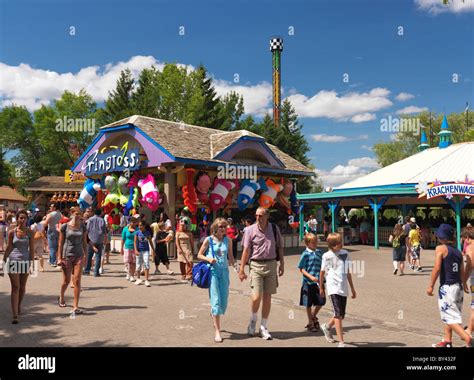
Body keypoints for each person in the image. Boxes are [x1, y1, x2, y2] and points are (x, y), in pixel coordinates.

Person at [238, 207, 284, 340]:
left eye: (261, 215)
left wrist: (282, 264)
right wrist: (241, 269)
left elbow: (280, 247)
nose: (258, 218)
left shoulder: (274, 229)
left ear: (267, 216)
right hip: (256, 265)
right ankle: (252, 321)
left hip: (271, 264)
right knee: (256, 296)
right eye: (257, 215)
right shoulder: (249, 230)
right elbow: (246, 251)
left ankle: (263, 326)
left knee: (268, 297)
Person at [427, 224, 471, 347]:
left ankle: (468, 339)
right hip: (458, 288)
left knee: (450, 318)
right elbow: (462, 271)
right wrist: (464, 284)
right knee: (450, 315)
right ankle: (447, 341)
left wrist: (430, 285)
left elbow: (436, 268)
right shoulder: (457, 252)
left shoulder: (440, 249)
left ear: (443, 238)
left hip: (447, 288)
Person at [197, 217, 236, 343]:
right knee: (216, 301)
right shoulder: (208, 240)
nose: (223, 228)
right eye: (221, 226)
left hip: (224, 272)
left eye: (225, 226)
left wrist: (239, 270)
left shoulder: (228, 240)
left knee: (223, 302)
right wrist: (209, 259)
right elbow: (199, 255)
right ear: (215, 227)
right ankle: (217, 331)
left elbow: (231, 257)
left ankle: (214, 313)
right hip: (213, 272)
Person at [319, 232, 356, 347]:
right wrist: (321, 287)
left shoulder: (345, 253)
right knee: (338, 315)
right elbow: (322, 272)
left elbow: (348, 272)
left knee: (341, 314)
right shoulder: (326, 256)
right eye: (340, 242)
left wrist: (353, 288)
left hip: (343, 287)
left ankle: (327, 327)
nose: (342, 243)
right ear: (333, 245)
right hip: (332, 287)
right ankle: (341, 342)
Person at [2, 209, 34, 324]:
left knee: (22, 288)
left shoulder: (30, 232)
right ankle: (15, 315)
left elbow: (31, 249)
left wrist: (32, 264)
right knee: (15, 287)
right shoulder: (12, 232)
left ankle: (18, 306)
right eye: (20, 218)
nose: (22, 220)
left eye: (24, 218)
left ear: (27, 219)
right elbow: (9, 247)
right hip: (13, 261)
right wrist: (3, 262)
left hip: (25, 262)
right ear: (17, 218)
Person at [57, 207, 87, 315]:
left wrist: (86, 255)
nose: (78, 216)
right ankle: (61, 297)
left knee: (77, 280)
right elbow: (60, 243)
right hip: (67, 255)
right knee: (66, 281)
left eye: (80, 214)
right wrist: (59, 258)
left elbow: (84, 242)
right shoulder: (65, 226)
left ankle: (75, 306)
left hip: (78, 255)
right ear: (71, 213)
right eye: (76, 214)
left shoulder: (83, 226)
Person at [297, 233, 325, 332]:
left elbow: (323, 266)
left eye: (316, 241)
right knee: (308, 303)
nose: (315, 244)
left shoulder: (319, 252)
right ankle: (310, 322)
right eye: (313, 242)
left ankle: (313, 316)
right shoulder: (305, 254)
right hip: (308, 283)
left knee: (321, 301)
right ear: (308, 243)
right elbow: (301, 268)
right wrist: (310, 277)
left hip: (319, 282)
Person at [84, 208, 107, 277]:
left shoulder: (90, 220)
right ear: (100, 213)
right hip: (99, 239)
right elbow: (104, 231)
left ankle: (87, 270)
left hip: (91, 239)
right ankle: (96, 272)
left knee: (89, 256)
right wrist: (104, 240)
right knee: (98, 256)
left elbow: (87, 230)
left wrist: (86, 239)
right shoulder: (102, 220)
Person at [134, 220, 155, 286]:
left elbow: (150, 241)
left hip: (146, 250)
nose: (140, 227)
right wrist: (135, 250)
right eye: (139, 225)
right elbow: (134, 242)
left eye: (141, 225)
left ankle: (146, 280)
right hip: (139, 250)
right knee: (138, 265)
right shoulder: (137, 232)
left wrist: (153, 249)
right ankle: (138, 278)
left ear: (144, 226)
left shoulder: (147, 233)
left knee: (146, 264)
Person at [461, 228, 473, 337]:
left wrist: (464, 281)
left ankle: (469, 331)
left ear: (468, 238)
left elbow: (469, 265)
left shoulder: (470, 247)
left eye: (464, 240)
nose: (464, 242)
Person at [175, 216, 194, 282]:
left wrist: (193, 249)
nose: (182, 226)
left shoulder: (189, 233)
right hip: (181, 249)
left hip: (188, 248)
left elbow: (192, 242)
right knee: (182, 262)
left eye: (184, 225)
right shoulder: (178, 233)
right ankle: (183, 274)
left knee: (190, 261)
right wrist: (179, 249)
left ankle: (189, 274)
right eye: (181, 225)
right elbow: (177, 242)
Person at [121, 215, 139, 282]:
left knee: (133, 262)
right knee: (127, 262)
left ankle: (132, 275)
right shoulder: (125, 229)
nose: (134, 224)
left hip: (135, 248)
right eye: (133, 222)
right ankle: (128, 273)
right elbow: (123, 239)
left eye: (135, 223)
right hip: (127, 247)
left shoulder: (137, 230)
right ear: (130, 222)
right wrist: (121, 248)